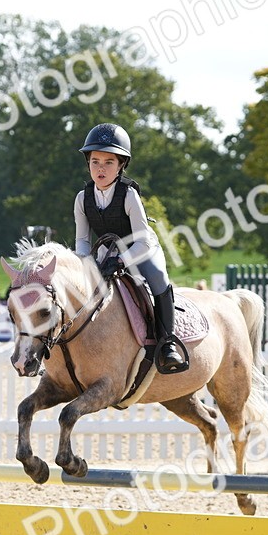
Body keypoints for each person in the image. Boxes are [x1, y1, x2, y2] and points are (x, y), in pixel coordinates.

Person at [73, 122, 187, 373]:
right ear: (88, 163)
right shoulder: (82, 198)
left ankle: (168, 343)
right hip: (108, 250)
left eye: (108, 162)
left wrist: (122, 260)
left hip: (141, 247)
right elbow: (82, 240)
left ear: (121, 165)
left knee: (157, 278)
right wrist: (83, 263)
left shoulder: (128, 195)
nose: (100, 168)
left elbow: (143, 240)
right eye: (95, 162)